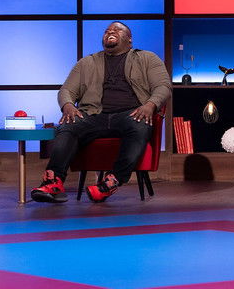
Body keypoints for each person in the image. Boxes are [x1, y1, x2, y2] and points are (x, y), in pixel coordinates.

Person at [32, 22, 172, 203]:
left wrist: (150, 105)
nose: (110, 32)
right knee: (68, 125)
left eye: (117, 30)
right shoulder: (87, 62)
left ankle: (110, 182)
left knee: (140, 124)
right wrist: (67, 105)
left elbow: (163, 86)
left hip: (130, 114)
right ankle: (53, 182)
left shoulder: (147, 58)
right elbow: (66, 90)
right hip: (93, 115)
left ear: (129, 39)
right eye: (107, 31)